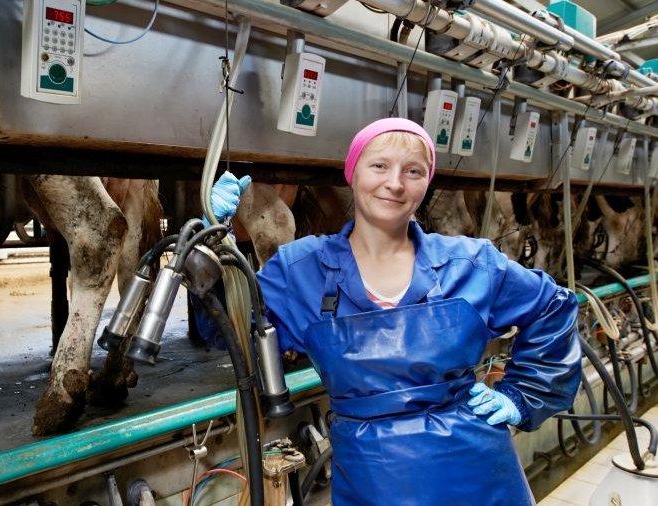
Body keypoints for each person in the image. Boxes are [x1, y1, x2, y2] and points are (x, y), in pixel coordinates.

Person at [208, 117, 582, 505]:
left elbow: (553, 308)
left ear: (426, 183)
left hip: (477, 470)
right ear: (352, 173)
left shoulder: (470, 262)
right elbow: (227, 328)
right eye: (379, 166)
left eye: (413, 171)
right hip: (373, 474)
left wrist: (523, 395)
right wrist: (213, 247)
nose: (395, 183)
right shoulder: (300, 270)